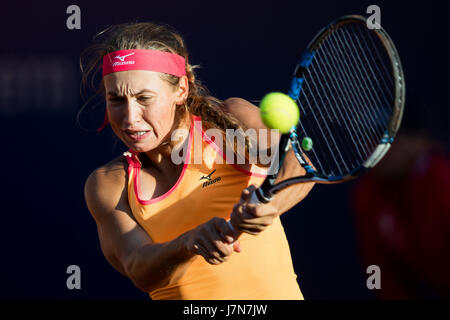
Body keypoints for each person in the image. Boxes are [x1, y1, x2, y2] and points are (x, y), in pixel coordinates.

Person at [82, 22, 315, 300]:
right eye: (116, 99)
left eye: (144, 98)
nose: (130, 118)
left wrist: (269, 206)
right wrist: (187, 244)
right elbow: (138, 268)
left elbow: (298, 162)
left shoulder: (230, 122)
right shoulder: (109, 184)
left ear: (181, 89)